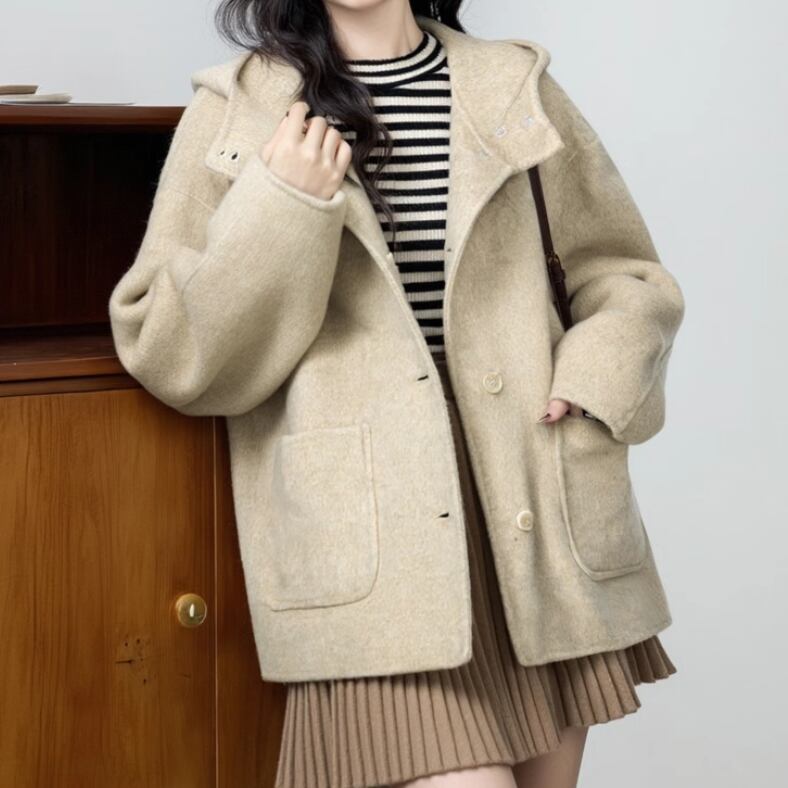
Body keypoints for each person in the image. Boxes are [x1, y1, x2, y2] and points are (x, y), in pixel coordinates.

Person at [108, 1, 686, 787]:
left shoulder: (513, 84)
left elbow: (624, 272)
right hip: (377, 535)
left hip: (529, 509)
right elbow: (170, 348)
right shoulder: (240, 106)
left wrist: (594, 377)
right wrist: (284, 201)